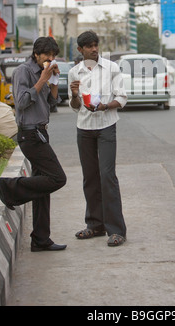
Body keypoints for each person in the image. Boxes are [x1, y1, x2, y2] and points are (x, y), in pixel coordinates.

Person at [0, 37, 67, 252]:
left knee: (43, 189)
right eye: (47, 56)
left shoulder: (46, 72)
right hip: (30, 135)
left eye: (53, 56)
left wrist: (53, 82)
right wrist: (42, 79)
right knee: (57, 178)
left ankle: (41, 239)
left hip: (42, 132)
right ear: (36, 54)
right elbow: (22, 102)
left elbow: (52, 103)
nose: (50, 59)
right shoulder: (23, 72)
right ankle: (7, 186)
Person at [69, 30, 127, 246]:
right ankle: (94, 225)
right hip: (84, 128)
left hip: (106, 126)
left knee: (107, 176)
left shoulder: (111, 68)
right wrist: (74, 95)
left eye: (96, 45)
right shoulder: (75, 72)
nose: (94, 49)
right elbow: (75, 107)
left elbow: (121, 98)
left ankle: (117, 230)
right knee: (90, 177)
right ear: (80, 50)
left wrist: (104, 106)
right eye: (89, 46)